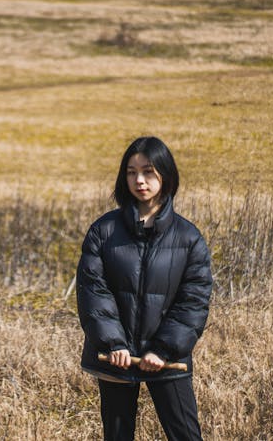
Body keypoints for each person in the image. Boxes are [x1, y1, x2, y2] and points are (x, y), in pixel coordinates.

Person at [76, 136, 213, 441]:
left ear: (166, 174)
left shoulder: (189, 238)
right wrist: (113, 344)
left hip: (166, 358)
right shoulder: (103, 231)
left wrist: (163, 349)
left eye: (149, 171)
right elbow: (93, 292)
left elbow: (194, 301)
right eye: (131, 172)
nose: (139, 180)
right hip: (117, 359)